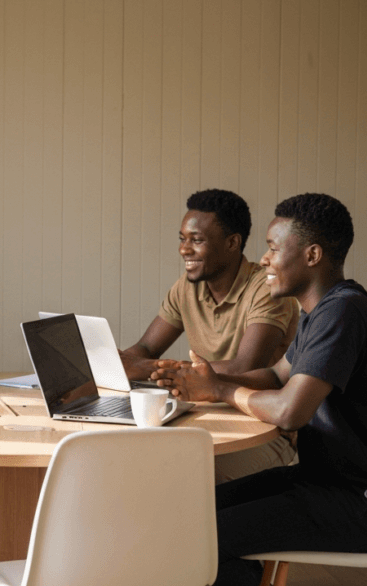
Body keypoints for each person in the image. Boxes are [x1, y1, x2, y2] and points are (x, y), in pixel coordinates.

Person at [154, 193, 367, 586]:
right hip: (324, 482)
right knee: (195, 513)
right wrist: (211, 381)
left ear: (312, 255)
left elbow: (291, 411)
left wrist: (222, 393)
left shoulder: (344, 312)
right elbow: (278, 376)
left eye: (273, 248)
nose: (263, 259)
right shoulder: (322, 310)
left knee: (200, 535)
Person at [120, 189, 300, 481]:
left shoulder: (266, 289)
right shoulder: (188, 287)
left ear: (232, 243)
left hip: (263, 432)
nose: (184, 250)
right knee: (134, 467)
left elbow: (245, 367)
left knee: (174, 480)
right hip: (203, 420)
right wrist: (112, 363)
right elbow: (145, 347)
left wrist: (145, 368)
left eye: (197, 240)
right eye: (182, 239)